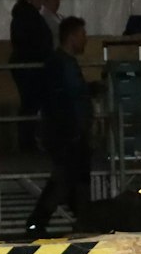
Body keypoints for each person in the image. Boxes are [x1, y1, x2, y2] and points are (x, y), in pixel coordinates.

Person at [25, 16, 94, 237]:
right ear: (72, 37)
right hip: (68, 133)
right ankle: (41, 221)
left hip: (66, 132)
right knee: (67, 180)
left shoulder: (59, 63)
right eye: (82, 35)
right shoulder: (63, 65)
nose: (85, 40)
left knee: (72, 179)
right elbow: (70, 98)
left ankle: (81, 220)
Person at [8, 0, 53, 151]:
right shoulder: (30, 17)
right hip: (30, 65)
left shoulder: (24, 16)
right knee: (31, 102)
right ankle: (27, 141)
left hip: (28, 64)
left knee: (30, 103)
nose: (41, 0)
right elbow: (36, 41)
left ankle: (27, 140)